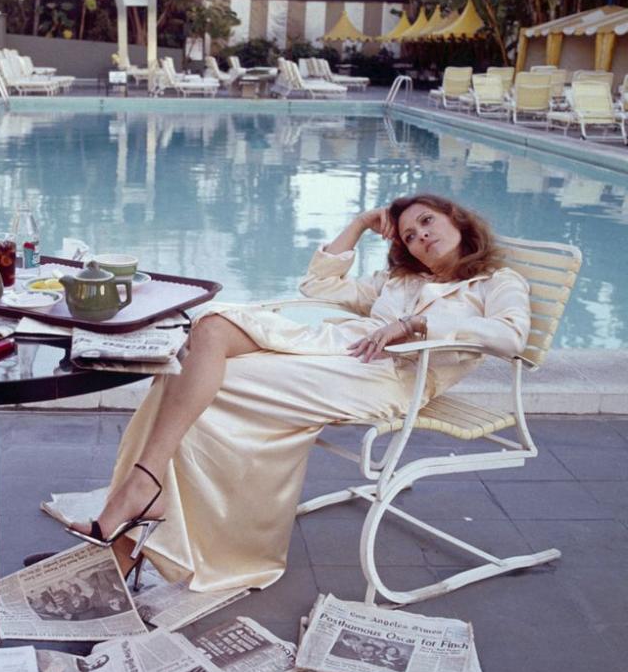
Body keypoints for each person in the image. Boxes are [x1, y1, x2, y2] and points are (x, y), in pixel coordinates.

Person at [68, 194, 531, 591]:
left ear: (457, 220)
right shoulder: (401, 280)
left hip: (389, 378)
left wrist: (416, 322)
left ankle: (125, 535)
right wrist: (360, 224)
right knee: (210, 329)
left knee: (196, 383)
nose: (420, 236)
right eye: (408, 234)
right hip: (338, 350)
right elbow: (319, 285)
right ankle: (143, 489)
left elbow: (510, 338)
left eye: (427, 222)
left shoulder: (496, 282)